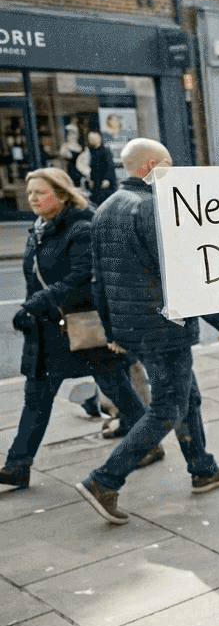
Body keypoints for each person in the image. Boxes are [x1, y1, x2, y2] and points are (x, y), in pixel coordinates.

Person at [75, 138, 219, 525]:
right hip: (165, 328)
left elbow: (98, 281)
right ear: (150, 165)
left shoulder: (105, 209)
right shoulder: (153, 207)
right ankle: (104, 480)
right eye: (167, 163)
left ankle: (202, 467)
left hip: (134, 327)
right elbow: (183, 274)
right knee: (168, 407)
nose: (172, 170)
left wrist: (113, 330)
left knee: (188, 396)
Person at [0, 169, 151, 491]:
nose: (33, 199)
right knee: (36, 397)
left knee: (116, 385)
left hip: (83, 327)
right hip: (48, 332)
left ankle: (146, 443)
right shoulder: (39, 229)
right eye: (30, 194)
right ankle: (17, 466)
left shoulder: (80, 229)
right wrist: (33, 310)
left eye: (41, 192)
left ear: (63, 194)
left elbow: (83, 280)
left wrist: (36, 303)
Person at [86, 131, 117, 206]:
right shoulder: (92, 151)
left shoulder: (105, 150)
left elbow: (110, 166)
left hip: (106, 181)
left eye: (94, 138)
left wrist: (107, 179)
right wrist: (91, 179)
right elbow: (92, 167)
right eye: (90, 139)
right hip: (96, 181)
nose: (92, 140)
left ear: (99, 138)